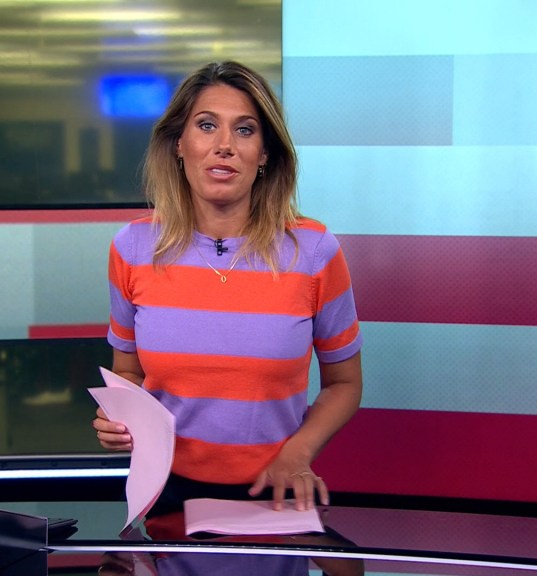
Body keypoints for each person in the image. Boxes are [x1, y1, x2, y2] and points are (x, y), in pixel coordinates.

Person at [93, 61, 363, 517]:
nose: (224, 145)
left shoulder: (314, 250)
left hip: (274, 492)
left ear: (265, 154)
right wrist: (119, 421)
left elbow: (345, 383)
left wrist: (297, 454)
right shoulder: (133, 247)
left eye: (244, 130)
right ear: (179, 144)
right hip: (165, 494)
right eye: (206, 126)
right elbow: (129, 375)